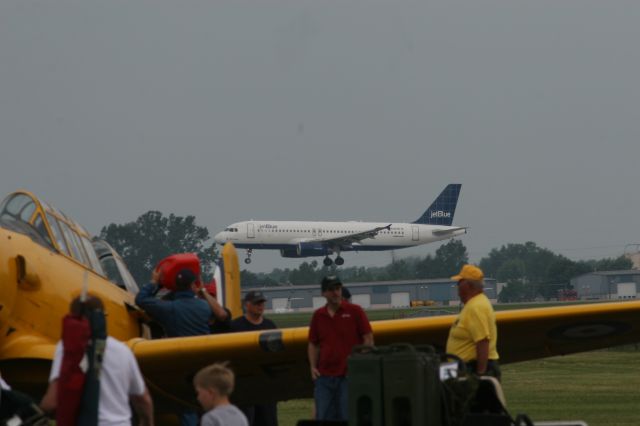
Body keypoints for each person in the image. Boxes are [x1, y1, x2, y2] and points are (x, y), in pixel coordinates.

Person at [40, 295, 153, 426]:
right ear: (103, 317)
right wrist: (147, 422)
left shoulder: (66, 346)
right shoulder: (123, 351)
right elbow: (143, 399)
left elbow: (52, 402)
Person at [136, 268, 229, 425]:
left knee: (186, 408)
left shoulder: (169, 308)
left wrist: (156, 283)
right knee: (210, 406)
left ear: (175, 286)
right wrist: (203, 292)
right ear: (193, 284)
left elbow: (141, 300)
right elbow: (222, 315)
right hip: (205, 363)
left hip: (181, 365)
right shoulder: (204, 307)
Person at [308, 276, 374, 421]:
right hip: (324, 377)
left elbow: (368, 339)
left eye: (338, 289)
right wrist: (313, 367)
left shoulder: (355, 311)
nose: (336, 293)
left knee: (348, 416)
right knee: (323, 416)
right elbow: (313, 343)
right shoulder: (318, 315)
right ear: (323, 293)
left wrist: (358, 364)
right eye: (331, 290)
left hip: (348, 376)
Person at [229, 291, 278, 426]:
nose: (260, 306)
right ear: (247, 305)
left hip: (266, 383)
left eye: (262, 303)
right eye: (257, 303)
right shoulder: (235, 326)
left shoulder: (270, 325)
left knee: (268, 420)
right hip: (245, 383)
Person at [446, 264, 501, 380]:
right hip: (459, 367)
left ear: (467, 285)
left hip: (470, 368)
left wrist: (480, 375)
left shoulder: (476, 307)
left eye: (459, 282)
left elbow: (482, 341)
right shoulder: (473, 305)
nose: (457, 285)